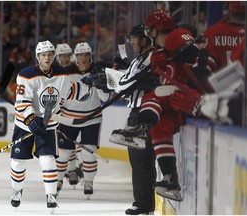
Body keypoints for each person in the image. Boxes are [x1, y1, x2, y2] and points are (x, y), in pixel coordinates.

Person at [110, 10, 201, 202]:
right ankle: (171, 180)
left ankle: (141, 129)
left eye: (149, 30)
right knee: (159, 131)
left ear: (155, 29)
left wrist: (180, 53)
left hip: (186, 94)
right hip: (173, 102)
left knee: (152, 96)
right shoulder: (160, 53)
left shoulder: (176, 36)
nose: (148, 34)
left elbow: (196, 51)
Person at [9, 40, 89, 211]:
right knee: (18, 163)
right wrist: (31, 120)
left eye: (50, 54)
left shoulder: (62, 74)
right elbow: (22, 103)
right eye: (43, 54)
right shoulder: (26, 75)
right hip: (24, 125)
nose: (47, 57)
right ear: (38, 57)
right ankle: (16, 190)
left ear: (54, 56)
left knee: (48, 161)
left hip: (48, 126)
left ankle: (51, 196)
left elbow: (71, 92)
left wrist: (90, 86)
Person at [108, 24, 157, 215]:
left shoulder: (152, 57)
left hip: (144, 113)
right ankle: (144, 203)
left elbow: (125, 84)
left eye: (136, 39)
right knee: (138, 160)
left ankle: (144, 204)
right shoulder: (138, 60)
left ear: (145, 40)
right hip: (135, 114)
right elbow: (125, 82)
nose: (133, 42)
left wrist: (113, 81)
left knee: (141, 159)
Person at [55, 42, 111, 199]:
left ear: (90, 56)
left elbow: (106, 98)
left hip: (91, 119)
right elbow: (58, 95)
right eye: (80, 55)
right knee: (63, 153)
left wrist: (99, 84)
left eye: (86, 54)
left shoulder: (98, 71)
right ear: (75, 57)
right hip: (68, 119)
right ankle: (58, 180)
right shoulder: (65, 73)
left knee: (89, 153)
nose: (84, 58)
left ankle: (88, 181)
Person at [54, 42, 83, 189]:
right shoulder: (54, 71)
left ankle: (72, 170)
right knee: (64, 142)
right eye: (62, 55)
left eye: (67, 55)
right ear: (57, 57)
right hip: (59, 111)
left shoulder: (76, 70)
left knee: (71, 141)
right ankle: (70, 170)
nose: (65, 58)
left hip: (74, 110)